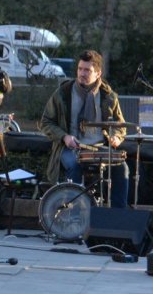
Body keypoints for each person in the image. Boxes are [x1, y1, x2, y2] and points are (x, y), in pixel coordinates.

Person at [39, 50, 131, 207]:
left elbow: (119, 125)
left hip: (100, 148)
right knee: (74, 167)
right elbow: (45, 122)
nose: (82, 73)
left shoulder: (109, 96)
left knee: (122, 168)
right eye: (80, 69)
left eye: (87, 70)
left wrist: (115, 137)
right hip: (70, 148)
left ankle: (118, 218)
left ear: (98, 73)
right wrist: (64, 137)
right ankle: (75, 215)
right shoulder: (63, 93)